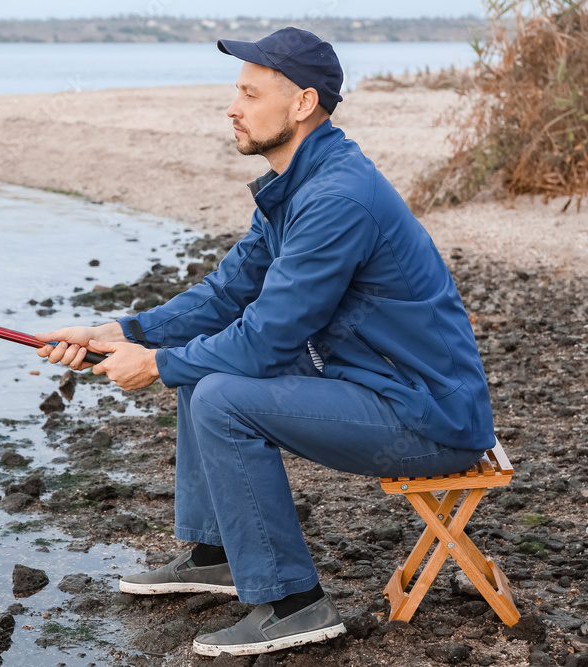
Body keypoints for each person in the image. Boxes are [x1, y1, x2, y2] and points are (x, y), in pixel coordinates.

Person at [36, 27, 494, 658]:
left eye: (250, 94)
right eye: (237, 93)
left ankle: (292, 603)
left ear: (302, 104)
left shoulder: (336, 198)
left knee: (219, 391)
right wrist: (119, 332)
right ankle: (217, 553)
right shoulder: (298, 185)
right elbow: (225, 295)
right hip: (375, 388)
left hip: (428, 416)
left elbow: (266, 337)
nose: (233, 107)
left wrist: (158, 364)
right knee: (205, 373)